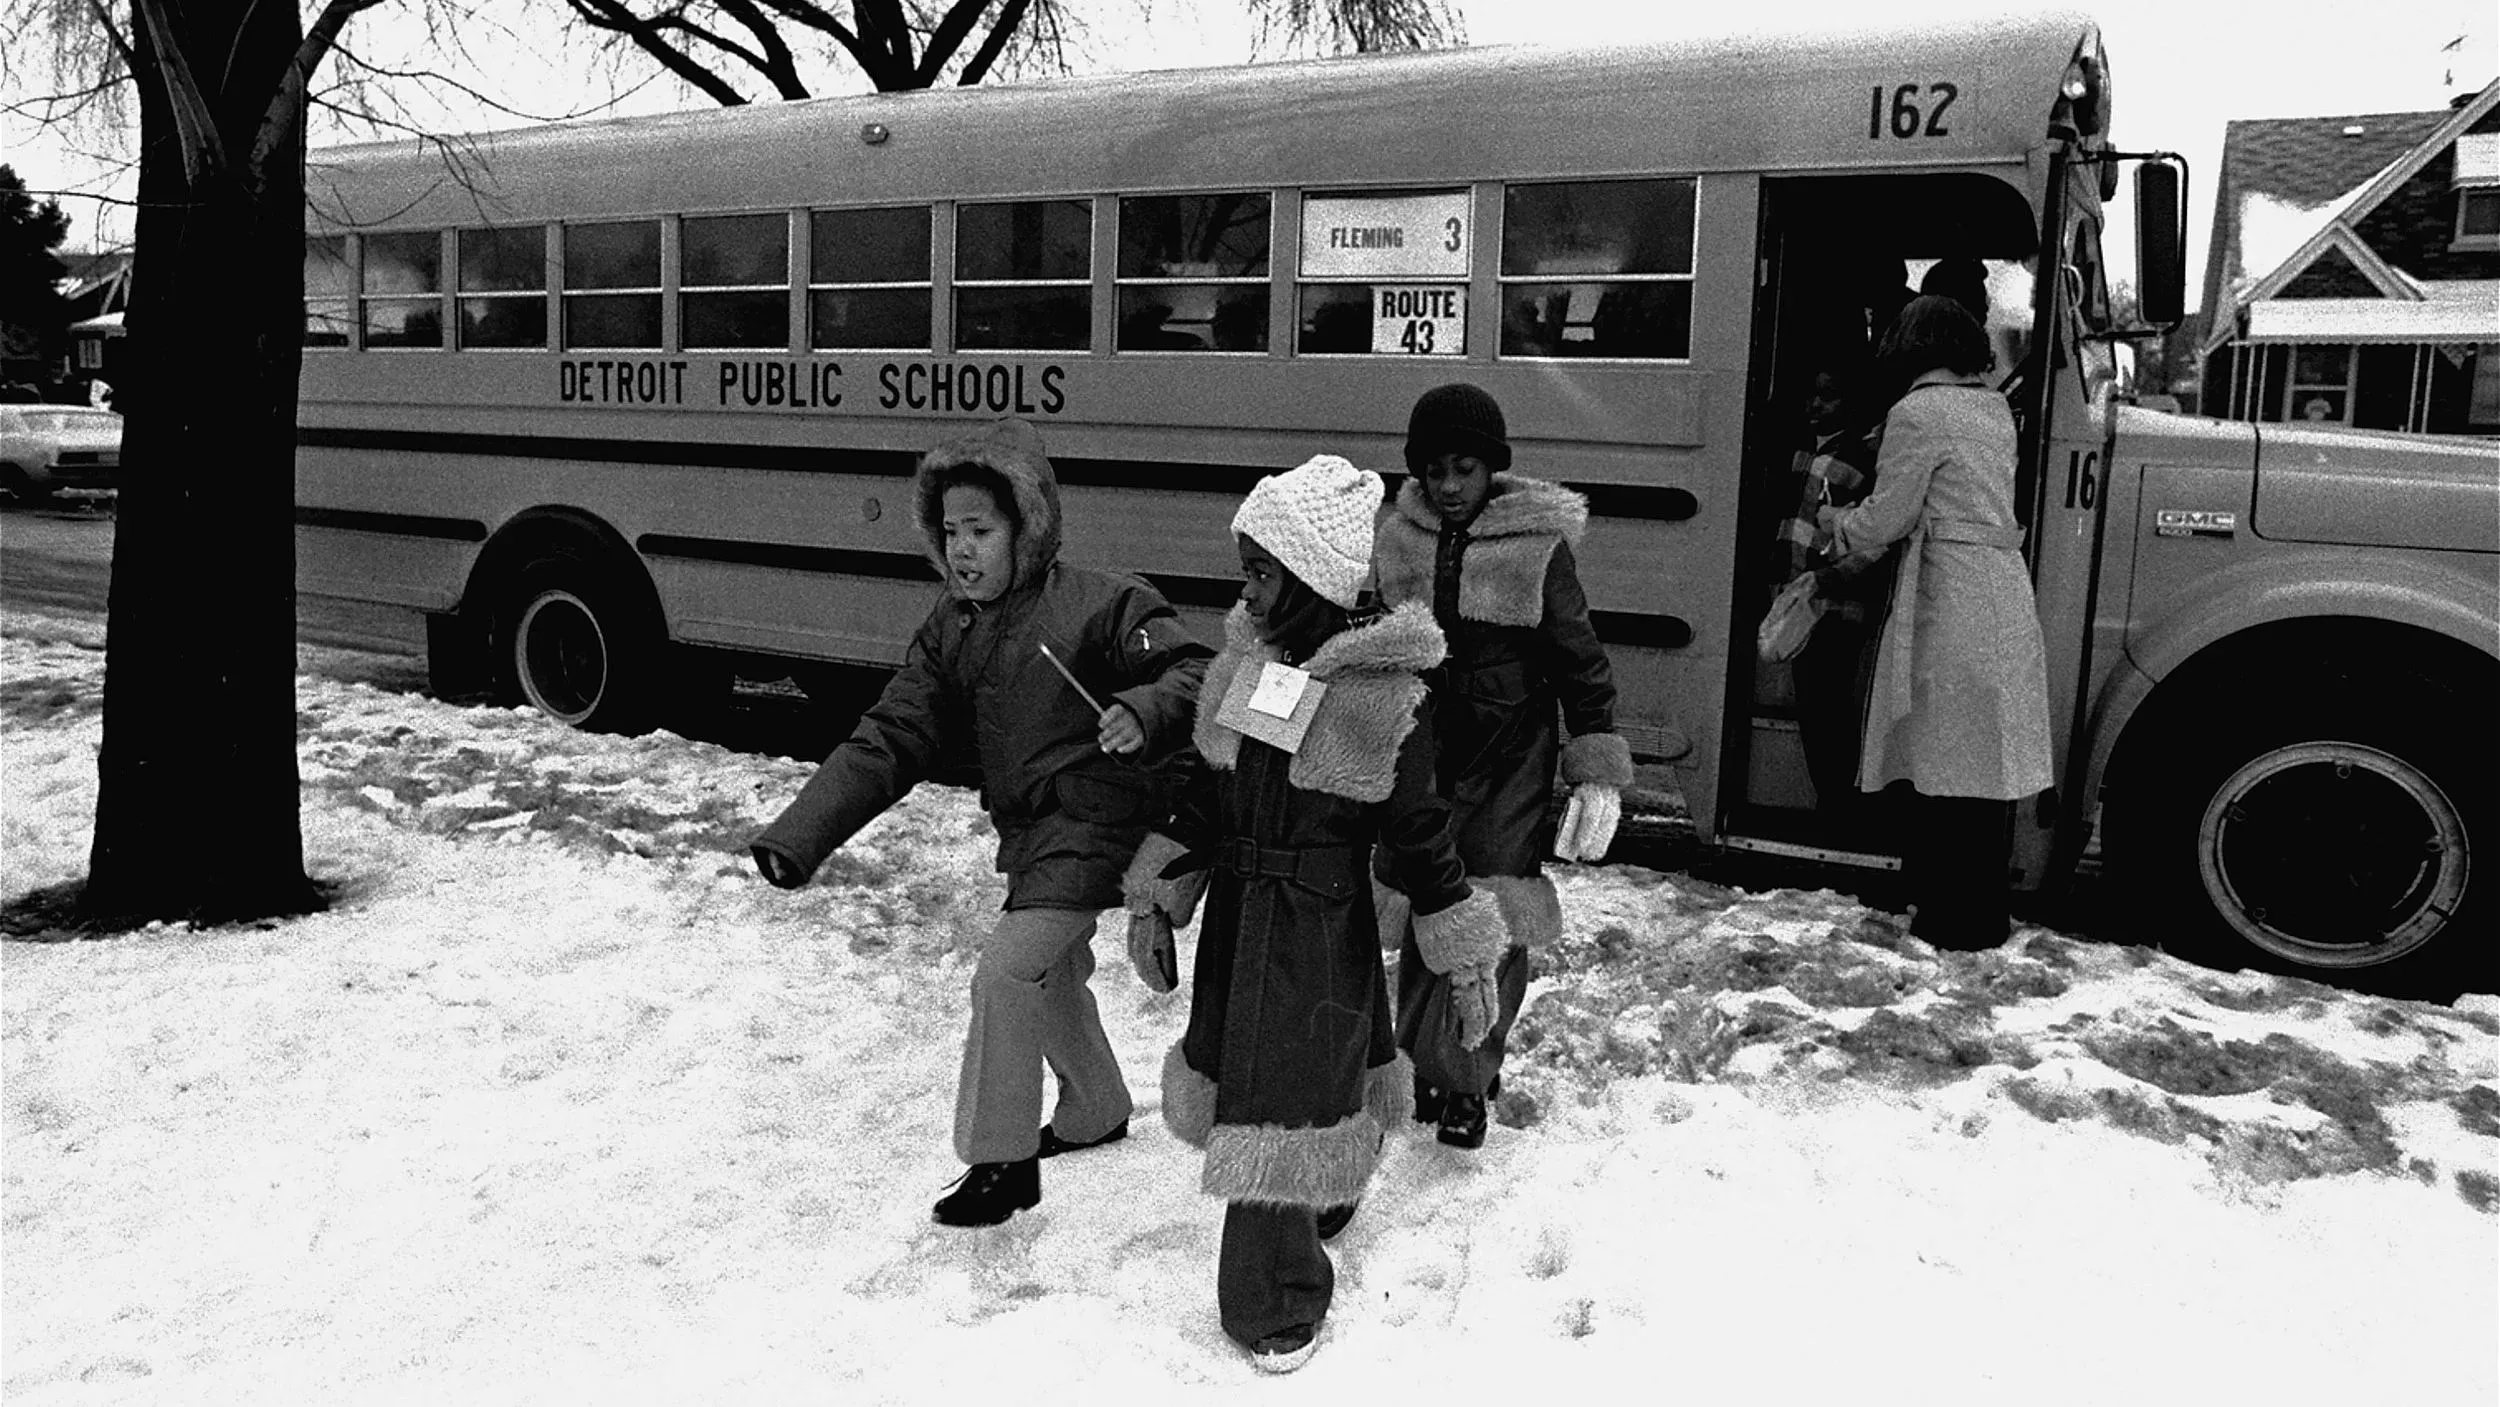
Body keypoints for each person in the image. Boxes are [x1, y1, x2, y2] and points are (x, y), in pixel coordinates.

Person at [750, 416, 1211, 1227]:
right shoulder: (952, 628)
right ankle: (1096, 1104)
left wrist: (1143, 709)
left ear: (1025, 529)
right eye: (951, 532)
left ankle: (1002, 1162)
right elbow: (892, 734)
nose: (963, 550)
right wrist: (801, 832)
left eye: (982, 531)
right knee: (1053, 972)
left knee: (1008, 972)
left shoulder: (1102, 602)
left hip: (1106, 819)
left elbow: (1193, 668)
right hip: (1036, 832)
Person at [1122, 454, 1509, 1375]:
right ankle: (1323, 1188)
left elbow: (1421, 837)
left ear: (1311, 579)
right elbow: (1204, 799)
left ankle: (1274, 1297)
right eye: (1246, 571)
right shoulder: (1246, 664)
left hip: (1315, 936)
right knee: (1303, 1086)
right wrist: (1160, 895)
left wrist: (1463, 953)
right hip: (1241, 929)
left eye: (1261, 572)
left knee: (1279, 1105)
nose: (1245, 592)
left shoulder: (1381, 698)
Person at [1370, 383, 1631, 1149]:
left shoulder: (1536, 547)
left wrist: (1594, 762)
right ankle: (1430, 1055)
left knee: (1491, 917)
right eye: (1435, 470)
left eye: (1467, 468)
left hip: (1511, 756)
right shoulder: (1398, 538)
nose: (1451, 486)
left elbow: (1580, 659)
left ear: (1493, 469)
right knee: (1429, 898)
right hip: (1423, 753)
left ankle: (1469, 1080)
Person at [1816, 295, 2054, 947]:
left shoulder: (1917, 412)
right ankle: (1979, 912)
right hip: (2001, 590)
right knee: (1981, 767)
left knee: (1940, 760)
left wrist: (1840, 529)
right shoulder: (1993, 409)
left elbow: (1889, 516)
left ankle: (1949, 917)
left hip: (1946, 595)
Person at [1777, 360, 1890, 827]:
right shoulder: (1804, 451)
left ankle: (1839, 802)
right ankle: (1835, 797)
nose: (1817, 405)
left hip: (1835, 603)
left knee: (1827, 707)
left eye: (1831, 396)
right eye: (1813, 395)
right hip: (1802, 598)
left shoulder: (1861, 459)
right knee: (1816, 702)